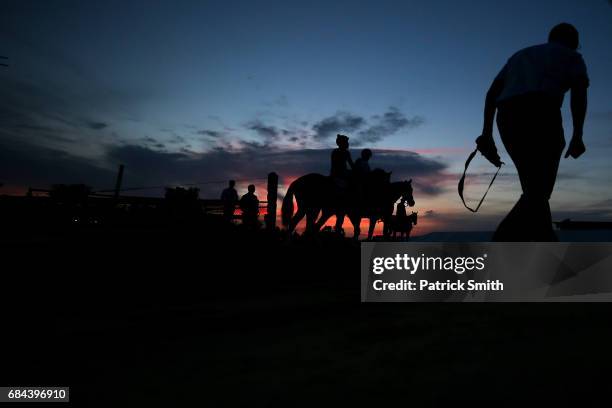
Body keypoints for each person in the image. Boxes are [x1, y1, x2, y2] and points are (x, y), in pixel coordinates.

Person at [479, 23, 589, 241]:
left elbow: (492, 92)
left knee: (534, 189)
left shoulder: (520, 55)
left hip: (508, 118)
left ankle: (544, 241)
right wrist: (578, 135)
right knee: (537, 193)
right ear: (574, 41)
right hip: (541, 114)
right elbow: (579, 94)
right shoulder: (572, 56)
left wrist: (487, 134)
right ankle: (501, 243)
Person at [330, 134, 354, 233]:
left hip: (340, 173)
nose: (347, 144)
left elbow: (351, 164)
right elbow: (347, 165)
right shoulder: (339, 152)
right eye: (346, 142)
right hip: (339, 174)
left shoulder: (342, 152)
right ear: (342, 143)